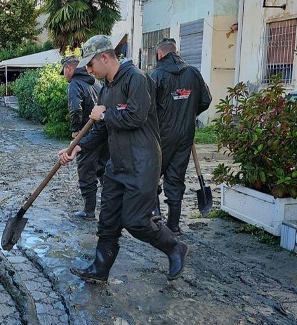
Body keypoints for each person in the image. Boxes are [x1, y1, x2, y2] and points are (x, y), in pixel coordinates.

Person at [58, 35, 189, 282]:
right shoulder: (107, 86)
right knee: (108, 220)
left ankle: (174, 247)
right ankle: (99, 269)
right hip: (116, 165)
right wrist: (79, 148)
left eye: (91, 65)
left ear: (104, 57)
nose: (88, 70)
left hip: (142, 163)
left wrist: (105, 115)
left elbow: (135, 118)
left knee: (136, 221)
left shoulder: (136, 79)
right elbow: (101, 129)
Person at [150, 38, 212, 235]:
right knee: (176, 177)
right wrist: (188, 114)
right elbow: (206, 100)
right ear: (176, 52)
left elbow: (148, 107)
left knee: (150, 173)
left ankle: (155, 213)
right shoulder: (193, 73)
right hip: (186, 134)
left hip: (161, 134)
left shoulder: (157, 75)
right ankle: (174, 225)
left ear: (160, 54)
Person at [60, 55, 109, 219]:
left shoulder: (74, 84)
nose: (65, 76)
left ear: (68, 69)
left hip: (87, 134)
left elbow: (75, 109)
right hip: (103, 132)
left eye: (64, 72)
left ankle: (89, 211)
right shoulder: (96, 82)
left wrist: (75, 131)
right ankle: (110, 209)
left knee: (86, 172)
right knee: (103, 170)